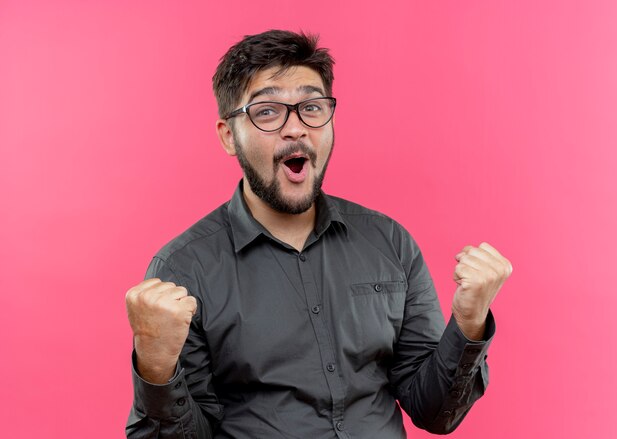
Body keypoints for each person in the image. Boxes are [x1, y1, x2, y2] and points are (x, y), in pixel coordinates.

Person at [125, 29, 512, 439]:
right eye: (268, 111)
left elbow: (434, 412)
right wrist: (155, 365)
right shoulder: (185, 269)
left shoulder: (390, 243)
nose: (297, 129)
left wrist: (469, 324)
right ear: (228, 136)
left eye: (311, 106)